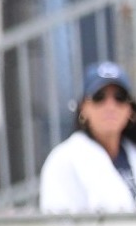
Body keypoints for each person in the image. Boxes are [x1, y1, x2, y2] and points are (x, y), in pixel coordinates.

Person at [39, 61, 136, 213]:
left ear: (130, 110)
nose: (110, 106)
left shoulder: (131, 152)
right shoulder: (64, 159)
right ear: (83, 108)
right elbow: (57, 222)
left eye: (120, 97)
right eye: (99, 97)